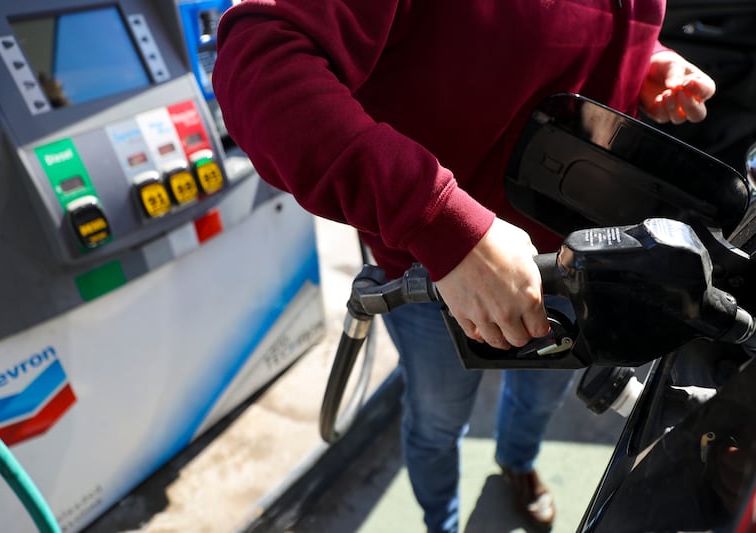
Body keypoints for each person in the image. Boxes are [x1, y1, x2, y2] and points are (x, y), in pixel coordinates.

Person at [212, 2, 716, 531]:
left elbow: (572, 45)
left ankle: (516, 465)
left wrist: (647, 62)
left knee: (538, 400)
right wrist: (438, 222)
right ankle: (441, 521)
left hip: (581, 259)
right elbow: (260, 64)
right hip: (434, 275)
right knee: (437, 421)